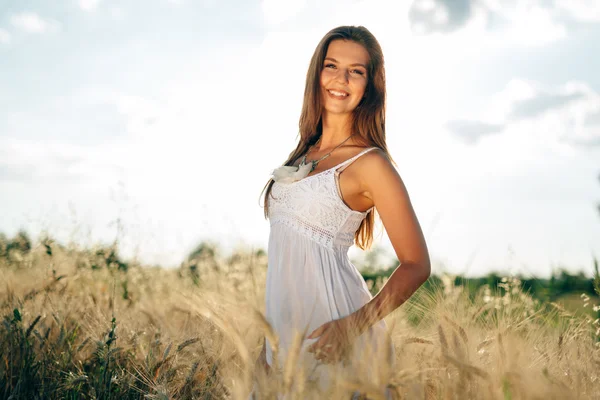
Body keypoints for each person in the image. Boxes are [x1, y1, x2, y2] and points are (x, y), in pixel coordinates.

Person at [252, 25, 431, 398]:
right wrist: (267, 344)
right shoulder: (304, 155)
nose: (341, 79)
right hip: (284, 340)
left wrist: (351, 327)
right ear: (317, 73)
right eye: (331, 66)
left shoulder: (371, 164)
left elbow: (417, 263)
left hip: (335, 334)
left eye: (356, 71)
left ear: (370, 86)